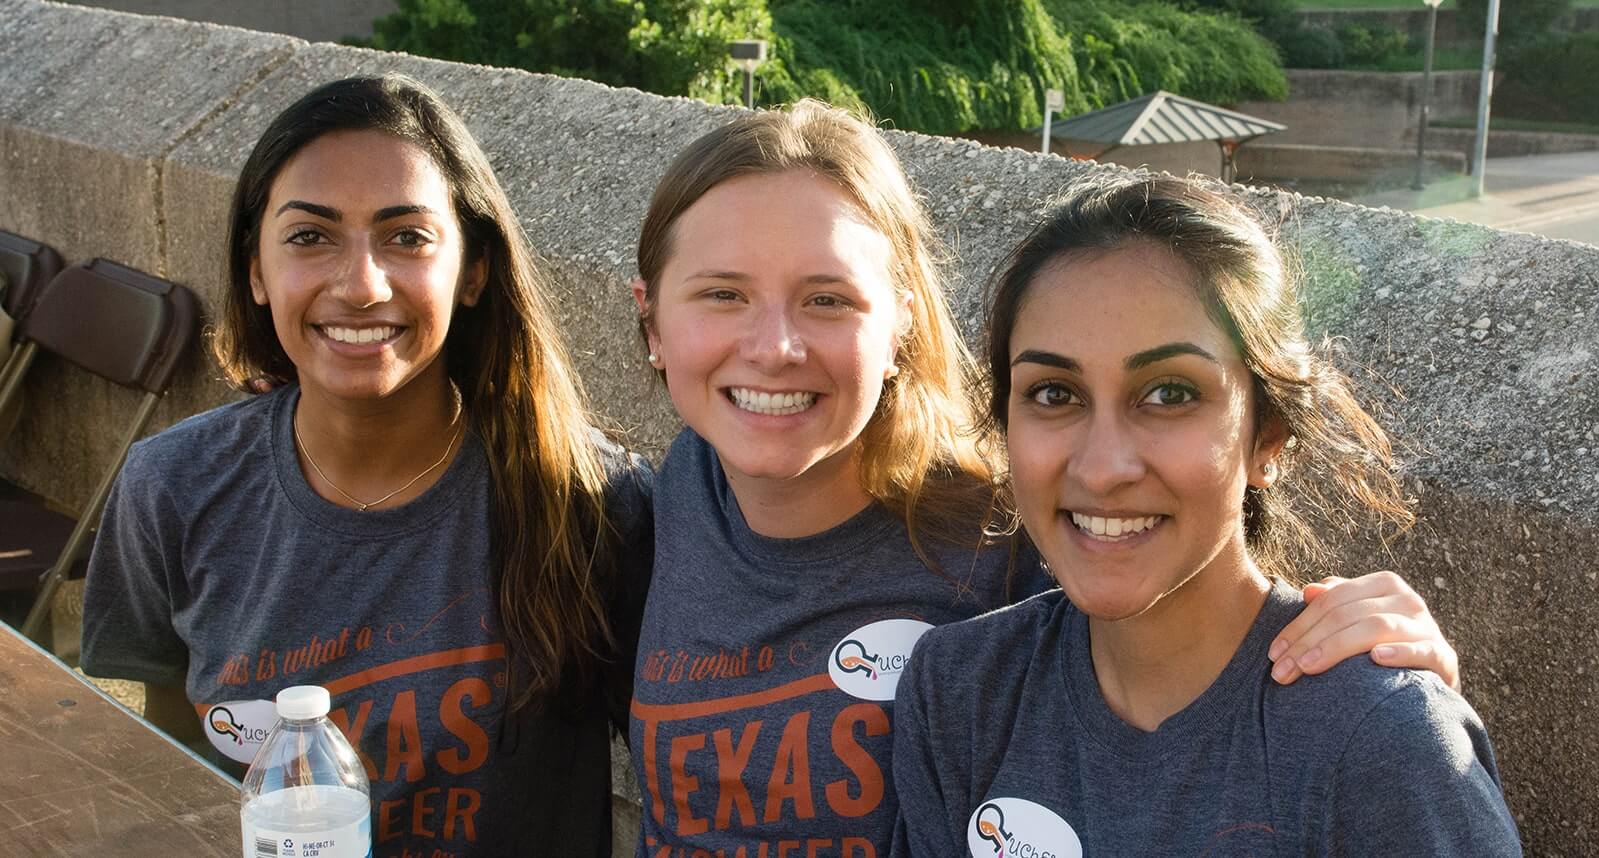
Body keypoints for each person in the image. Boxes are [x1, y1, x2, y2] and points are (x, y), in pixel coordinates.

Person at [627, 101, 1462, 858]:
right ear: (651, 319)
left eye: (827, 299)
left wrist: (1383, 680)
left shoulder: (1009, 529)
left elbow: (1182, 601)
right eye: (723, 294)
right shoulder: (658, 504)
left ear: (903, 322)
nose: (774, 348)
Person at [80, 75, 651, 858]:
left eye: (407, 237)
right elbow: (163, 771)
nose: (360, 285)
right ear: (255, 270)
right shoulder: (171, 487)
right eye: (309, 237)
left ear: (474, 270)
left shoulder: (590, 502)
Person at [889, 175, 1521, 856]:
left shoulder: (1381, 741)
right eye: (1054, 393)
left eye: (1169, 393)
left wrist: (1396, 709)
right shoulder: (959, 692)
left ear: (1268, 436)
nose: (1102, 468)